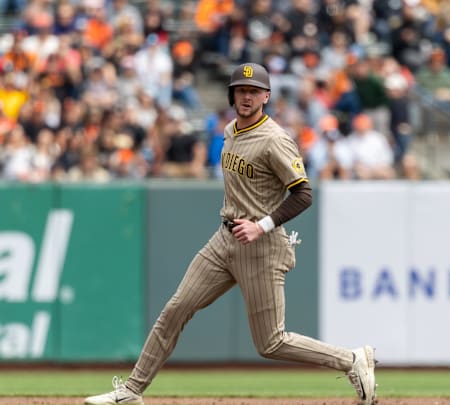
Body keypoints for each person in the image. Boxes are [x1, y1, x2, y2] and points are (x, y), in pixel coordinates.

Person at [83, 62, 378, 405]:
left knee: (271, 342)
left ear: (266, 96)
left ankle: (351, 360)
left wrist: (262, 225)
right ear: (232, 95)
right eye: (241, 90)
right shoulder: (230, 131)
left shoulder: (275, 140)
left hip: (261, 245)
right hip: (224, 238)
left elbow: (303, 194)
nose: (247, 97)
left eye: (253, 91)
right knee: (176, 309)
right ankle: (132, 391)